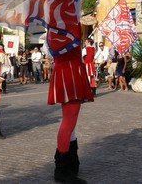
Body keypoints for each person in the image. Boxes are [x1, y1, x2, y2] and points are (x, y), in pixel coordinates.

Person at [48, 41, 93, 183]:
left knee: (70, 123)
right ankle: (62, 168)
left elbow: (50, 53)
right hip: (71, 73)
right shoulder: (67, 29)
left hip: (64, 72)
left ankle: (71, 162)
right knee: (69, 122)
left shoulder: (53, 32)